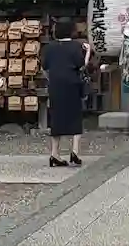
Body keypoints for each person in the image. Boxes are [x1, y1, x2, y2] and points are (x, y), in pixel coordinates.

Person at [41, 18, 91, 168]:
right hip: (72, 84)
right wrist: (88, 51)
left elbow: (44, 68)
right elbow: (81, 66)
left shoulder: (50, 47)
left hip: (55, 85)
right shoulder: (75, 46)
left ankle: (54, 153)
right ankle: (75, 151)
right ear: (72, 30)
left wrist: (51, 78)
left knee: (56, 117)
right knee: (75, 115)